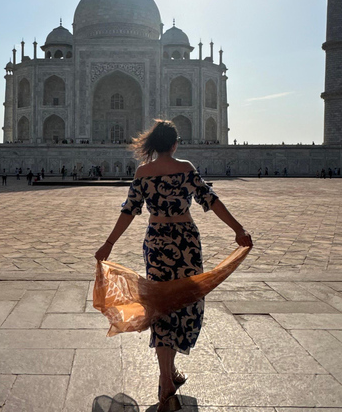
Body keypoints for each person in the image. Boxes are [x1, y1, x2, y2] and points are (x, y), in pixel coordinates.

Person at [95, 120, 252, 412]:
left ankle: (167, 377)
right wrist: (238, 229)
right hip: (185, 242)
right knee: (184, 304)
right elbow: (211, 201)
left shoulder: (143, 173)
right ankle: (168, 378)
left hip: (156, 242)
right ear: (175, 143)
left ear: (153, 144)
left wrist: (109, 244)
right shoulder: (185, 168)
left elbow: (129, 211)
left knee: (161, 306)